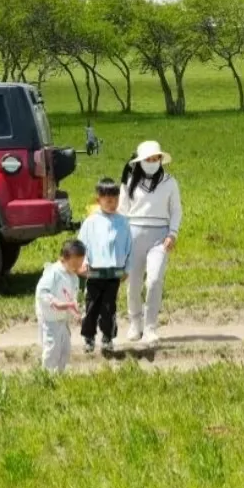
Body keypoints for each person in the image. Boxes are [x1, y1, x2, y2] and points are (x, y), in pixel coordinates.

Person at [118, 140, 182, 347]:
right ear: (140, 161)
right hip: (133, 235)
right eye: (148, 159)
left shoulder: (170, 182)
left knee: (154, 280)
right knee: (134, 283)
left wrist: (172, 234)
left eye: (156, 159)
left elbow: (176, 210)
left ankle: (151, 326)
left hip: (159, 237)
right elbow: (122, 210)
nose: (153, 162)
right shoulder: (129, 182)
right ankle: (135, 321)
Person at [79, 177, 132, 355]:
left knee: (109, 308)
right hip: (94, 272)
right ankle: (89, 337)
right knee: (92, 307)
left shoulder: (123, 222)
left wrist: (127, 268)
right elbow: (82, 245)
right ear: (98, 199)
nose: (112, 203)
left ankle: (108, 338)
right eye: (108, 200)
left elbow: (129, 247)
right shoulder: (91, 222)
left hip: (114, 273)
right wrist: (84, 262)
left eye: (115, 200)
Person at [35, 240, 86, 373]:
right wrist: (55, 302)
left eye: (80, 264)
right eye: (74, 264)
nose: (77, 268)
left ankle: (60, 373)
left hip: (63, 319)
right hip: (50, 318)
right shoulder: (53, 273)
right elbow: (42, 292)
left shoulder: (74, 277)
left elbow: (71, 299)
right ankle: (47, 375)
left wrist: (76, 313)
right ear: (63, 259)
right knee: (52, 347)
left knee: (65, 348)